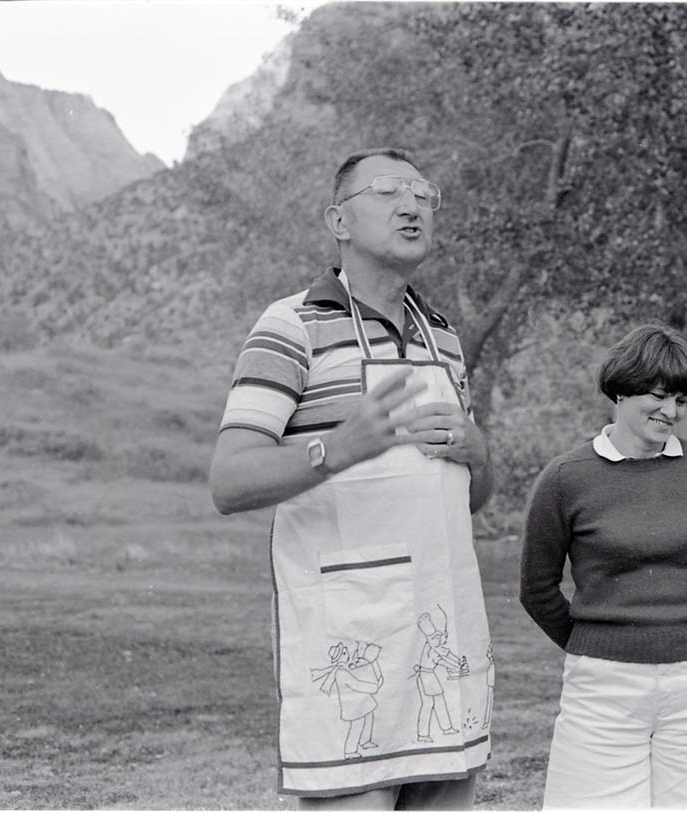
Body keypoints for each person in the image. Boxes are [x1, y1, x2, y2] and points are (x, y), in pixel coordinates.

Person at [209, 147, 495, 809]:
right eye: (389, 191)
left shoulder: (444, 339)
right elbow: (228, 479)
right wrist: (334, 448)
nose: (413, 205)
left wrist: (479, 452)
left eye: (425, 194)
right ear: (339, 220)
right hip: (350, 636)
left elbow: (470, 496)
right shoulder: (291, 327)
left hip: (443, 631)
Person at [519, 324, 687, 808]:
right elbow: (537, 589)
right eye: (660, 395)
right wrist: (597, 645)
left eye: (682, 399)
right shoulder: (566, 479)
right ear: (621, 388)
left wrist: (685, 635)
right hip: (602, 689)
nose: (671, 412)